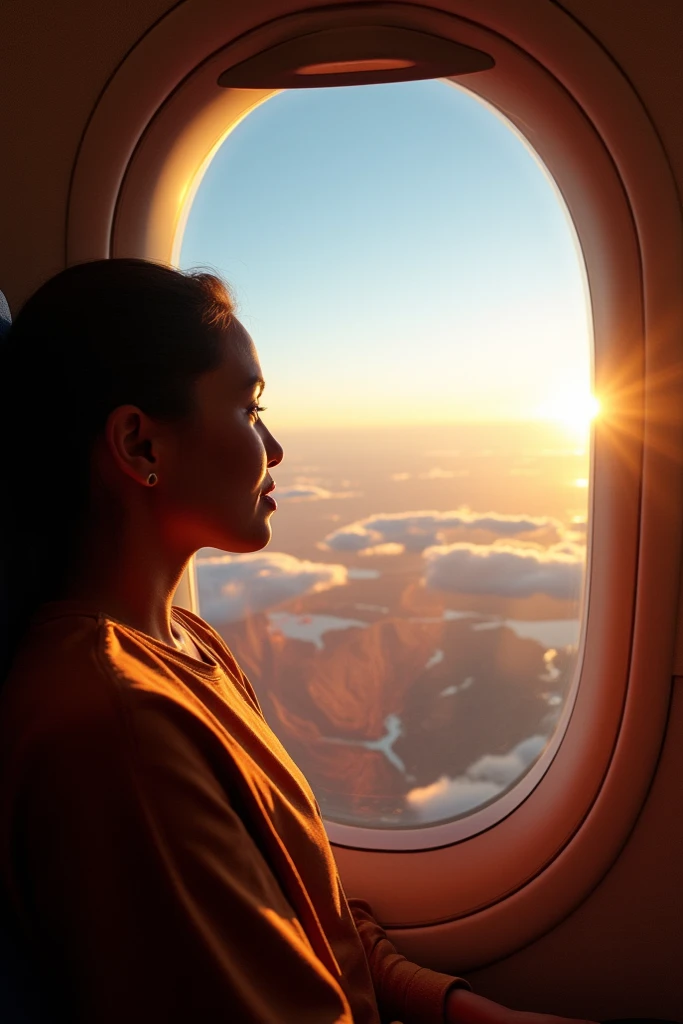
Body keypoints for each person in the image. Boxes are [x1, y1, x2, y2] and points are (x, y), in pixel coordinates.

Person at [0, 259, 597, 1024]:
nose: (274, 448)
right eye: (250, 410)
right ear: (140, 447)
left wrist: (465, 1011)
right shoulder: (113, 723)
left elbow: (316, 925)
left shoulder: (186, 647)